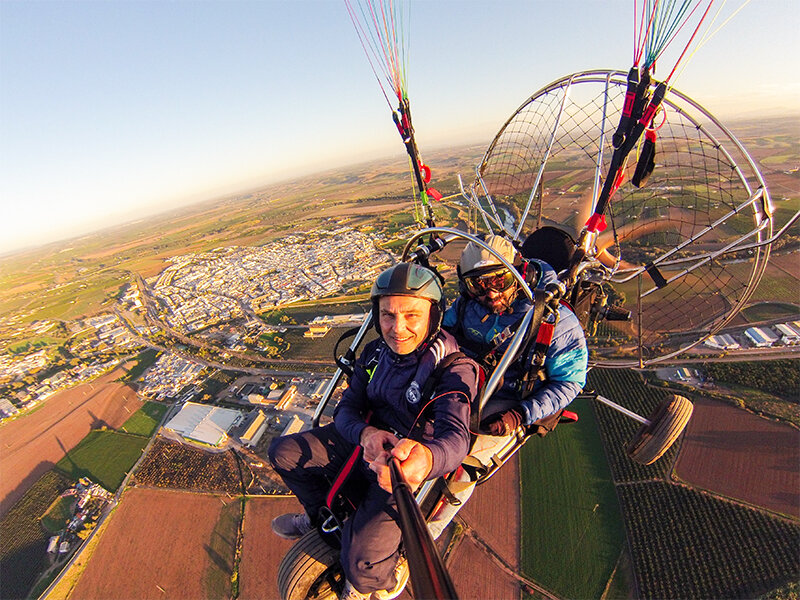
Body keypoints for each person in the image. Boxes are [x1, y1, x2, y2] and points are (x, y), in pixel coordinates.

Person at [268, 262, 479, 600]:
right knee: (284, 453)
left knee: (363, 567)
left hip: (403, 463)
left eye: (412, 315)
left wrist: (424, 458)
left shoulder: (452, 368)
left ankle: (384, 578)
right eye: (388, 316)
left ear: (434, 317)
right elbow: (347, 409)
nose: (398, 328)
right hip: (365, 442)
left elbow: (456, 438)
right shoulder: (376, 353)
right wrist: (365, 434)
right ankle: (320, 518)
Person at [427, 234, 587, 538]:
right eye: (479, 285)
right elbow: (438, 336)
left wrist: (521, 414)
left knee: (468, 459)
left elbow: (570, 381)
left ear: (518, 272)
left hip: (512, 395)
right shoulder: (465, 308)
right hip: (467, 383)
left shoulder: (557, 322)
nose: (491, 294)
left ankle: (429, 530)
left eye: (499, 281)